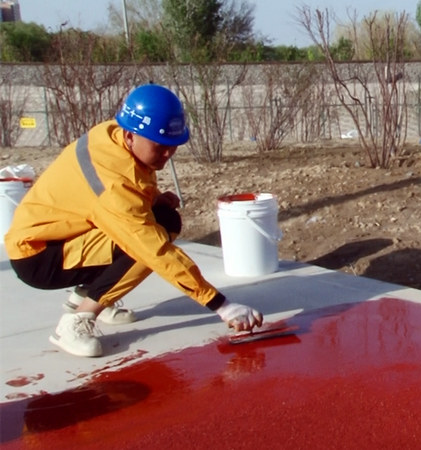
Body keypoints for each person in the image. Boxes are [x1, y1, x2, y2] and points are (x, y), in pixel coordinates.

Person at [4, 84, 263, 357]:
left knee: (164, 218)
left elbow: (131, 181)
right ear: (130, 136)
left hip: (61, 236)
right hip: (39, 256)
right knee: (147, 241)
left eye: (172, 147)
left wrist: (153, 198)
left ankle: (89, 296)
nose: (167, 155)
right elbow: (153, 249)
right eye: (160, 147)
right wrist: (221, 305)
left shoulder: (112, 134)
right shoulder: (112, 184)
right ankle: (75, 321)